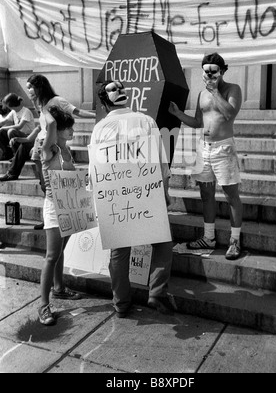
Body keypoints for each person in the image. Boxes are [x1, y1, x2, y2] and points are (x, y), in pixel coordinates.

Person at [88, 80, 174, 318]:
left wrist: (99, 202)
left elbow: (95, 170)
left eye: (120, 88)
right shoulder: (146, 121)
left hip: (117, 199)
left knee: (120, 252)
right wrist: (164, 193)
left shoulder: (100, 128)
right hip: (143, 194)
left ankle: (122, 303)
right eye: (115, 89)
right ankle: (155, 292)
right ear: (107, 99)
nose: (120, 91)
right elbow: (161, 164)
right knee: (162, 245)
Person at [169, 52, 243, 260]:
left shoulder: (232, 89)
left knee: (231, 195)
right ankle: (208, 237)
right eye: (206, 72)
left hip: (223, 148)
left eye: (214, 72)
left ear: (222, 71)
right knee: (206, 194)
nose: (210, 76)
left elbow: (229, 113)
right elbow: (198, 122)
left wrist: (215, 91)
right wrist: (178, 114)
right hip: (204, 147)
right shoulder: (202, 94)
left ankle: (235, 240)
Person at [26, 74, 96, 229]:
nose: (29, 91)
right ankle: (49, 218)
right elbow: (43, 126)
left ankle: (60, 215)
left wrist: (98, 115)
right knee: (45, 184)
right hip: (41, 145)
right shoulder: (41, 104)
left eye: (30, 87)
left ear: (40, 87)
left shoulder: (56, 101)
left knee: (58, 183)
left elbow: (77, 111)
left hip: (54, 146)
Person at [38, 106, 81, 326]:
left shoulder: (67, 150)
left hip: (69, 206)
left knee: (61, 251)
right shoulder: (49, 149)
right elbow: (52, 124)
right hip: (54, 207)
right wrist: (46, 107)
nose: (72, 131)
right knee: (52, 255)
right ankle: (43, 305)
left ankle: (59, 288)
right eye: (68, 127)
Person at [0, 93, 36, 162]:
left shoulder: (26, 111)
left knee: (11, 131)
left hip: (28, 138)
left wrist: (3, 128)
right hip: (18, 136)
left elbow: (19, 126)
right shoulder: (13, 111)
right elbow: (3, 122)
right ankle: (7, 153)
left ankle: (17, 155)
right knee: (1, 132)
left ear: (10, 105)